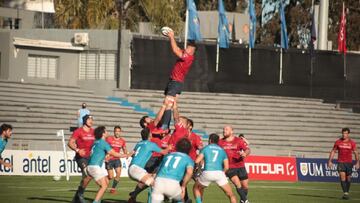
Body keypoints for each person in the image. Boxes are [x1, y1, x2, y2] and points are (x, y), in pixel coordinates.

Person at [87, 126, 130, 203]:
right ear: (103, 133)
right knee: (104, 186)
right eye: (106, 131)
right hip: (95, 167)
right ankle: (96, 201)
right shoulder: (104, 142)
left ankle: (98, 199)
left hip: (90, 166)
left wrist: (104, 157)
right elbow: (114, 154)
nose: (107, 132)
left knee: (105, 183)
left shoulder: (95, 142)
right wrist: (127, 155)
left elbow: (93, 153)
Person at [128, 128, 169, 203]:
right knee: (154, 184)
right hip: (136, 169)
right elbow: (164, 152)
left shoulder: (139, 143)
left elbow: (132, 153)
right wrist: (170, 147)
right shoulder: (151, 144)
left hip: (131, 168)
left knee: (151, 178)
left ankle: (133, 196)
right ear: (150, 135)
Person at [193, 133, 236, 203]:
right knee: (231, 195)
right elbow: (227, 167)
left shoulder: (205, 148)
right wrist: (222, 173)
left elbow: (197, 161)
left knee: (196, 188)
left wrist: (197, 171)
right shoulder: (222, 150)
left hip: (207, 172)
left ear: (210, 140)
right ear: (218, 141)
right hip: (219, 173)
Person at [151, 138, 194, 203]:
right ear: (189, 149)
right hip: (173, 184)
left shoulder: (167, 155)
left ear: (177, 146)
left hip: (159, 182)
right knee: (180, 198)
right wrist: (183, 186)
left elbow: (157, 170)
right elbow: (189, 172)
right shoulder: (188, 159)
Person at [219, 126, 251, 203]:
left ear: (232, 131)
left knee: (245, 187)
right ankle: (246, 201)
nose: (224, 131)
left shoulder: (238, 140)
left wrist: (244, 154)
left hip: (240, 166)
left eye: (226, 129)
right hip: (229, 167)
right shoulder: (220, 142)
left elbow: (247, 149)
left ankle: (243, 200)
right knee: (237, 183)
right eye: (223, 130)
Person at [68, 114, 95, 203]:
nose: (91, 121)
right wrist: (77, 150)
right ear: (84, 121)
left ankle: (76, 198)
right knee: (88, 175)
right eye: (89, 119)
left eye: (92, 119)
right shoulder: (78, 131)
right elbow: (70, 143)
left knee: (86, 178)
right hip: (81, 157)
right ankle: (80, 195)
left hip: (90, 157)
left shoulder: (93, 131)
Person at [328, 127, 359, 200]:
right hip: (341, 162)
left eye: (346, 133)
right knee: (342, 177)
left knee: (348, 178)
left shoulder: (352, 143)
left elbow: (356, 153)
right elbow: (333, 151)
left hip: (349, 163)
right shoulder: (338, 142)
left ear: (348, 134)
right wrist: (330, 161)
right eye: (343, 133)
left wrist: (358, 162)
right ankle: (345, 193)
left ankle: (346, 192)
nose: (344, 135)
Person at [105, 125, 128, 194]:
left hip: (117, 159)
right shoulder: (109, 139)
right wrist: (105, 155)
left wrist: (126, 154)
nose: (117, 133)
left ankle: (113, 189)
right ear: (114, 132)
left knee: (118, 173)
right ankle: (103, 180)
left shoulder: (122, 141)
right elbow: (104, 147)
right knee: (111, 176)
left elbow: (124, 148)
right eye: (116, 131)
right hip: (109, 159)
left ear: (120, 132)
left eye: (119, 131)